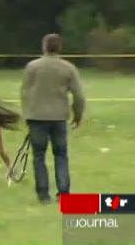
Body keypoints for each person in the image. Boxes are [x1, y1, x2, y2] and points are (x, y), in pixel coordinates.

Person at [21, 33, 86, 204]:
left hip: (36, 118)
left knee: (39, 156)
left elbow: (25, 93)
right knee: (61, 155)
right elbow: (79, 96)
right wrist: (77, 115)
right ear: (60, 48)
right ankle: (63, 193)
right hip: (59, 118)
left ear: (44, 46)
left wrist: (28, 114)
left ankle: (43, 195)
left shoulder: (32, 67)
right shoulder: (68, 68)